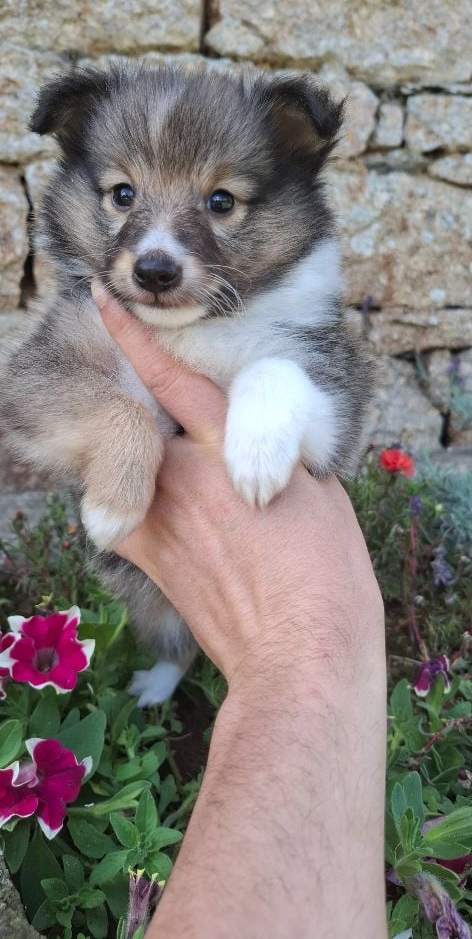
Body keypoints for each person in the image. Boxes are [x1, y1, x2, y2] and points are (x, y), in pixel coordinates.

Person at [93, 285, 388, 939]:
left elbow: (328, 413)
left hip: (264, 524)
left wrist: (274, 389)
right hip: (149, 546)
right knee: (160, 611)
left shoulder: (291, 310)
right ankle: (173, 659)